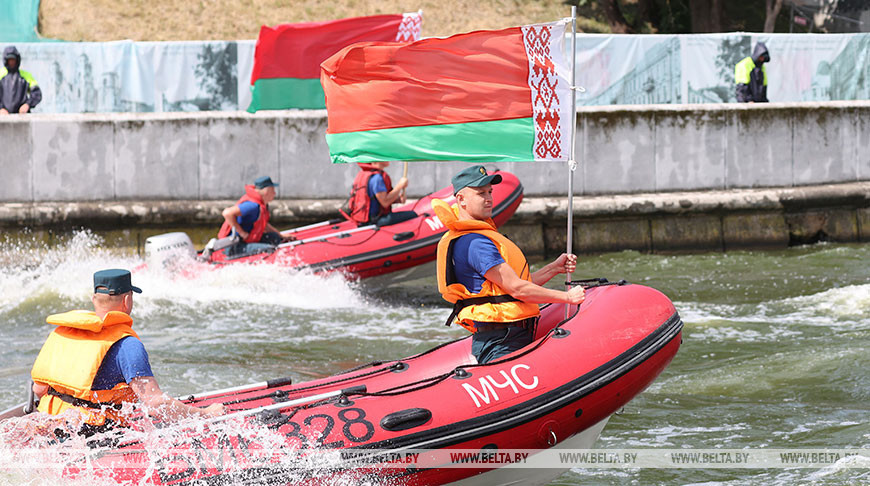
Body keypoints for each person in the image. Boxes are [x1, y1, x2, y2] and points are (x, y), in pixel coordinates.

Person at [30, 269, 223, 435]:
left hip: (50, 426)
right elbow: (156, 404)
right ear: (127, 300)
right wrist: (206, 414)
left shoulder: (63, 333)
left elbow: (39, 390)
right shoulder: (127, 345)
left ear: (94, 299)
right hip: (94, 435)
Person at [433, 166, 586, 364]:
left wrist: (553, 268)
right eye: (481, 193)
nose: (488, 198)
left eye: (490, 192)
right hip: (502, 341)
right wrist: (567, 297)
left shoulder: (473, 237)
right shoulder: (476, 244)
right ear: (461, 199)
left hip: (506, 336)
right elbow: (517, 289)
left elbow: (512, 287)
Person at [218, 175, 285, 257]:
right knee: (269, 249)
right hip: (235, 246)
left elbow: (264, 225)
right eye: (272, 190)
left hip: (246, 241)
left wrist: (281, 235)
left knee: (275, 237)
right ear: (266, 191)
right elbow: (227, 213)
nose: (274, 193)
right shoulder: (252, 206)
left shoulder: (261, 205)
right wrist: (242, 233)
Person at [347, 162, 416, 226]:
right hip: (374, 220)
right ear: (376, 161)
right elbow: (385, 202)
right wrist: (399, 186)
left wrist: (398, 199)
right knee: (413, 214)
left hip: (366, 219)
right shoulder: (377, 178)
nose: (387, 158)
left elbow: (377, 199)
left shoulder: (365, 174)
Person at [0, 46, 42, 114]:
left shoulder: (26, 76)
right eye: (9, 60)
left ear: (17, 60)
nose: (12, 62)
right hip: (3, 116)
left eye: (13, 59)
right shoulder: (1, 75)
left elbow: (37, 93)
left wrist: (27, 105)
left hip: (22, 116)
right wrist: (0, 108)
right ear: (6, 60)